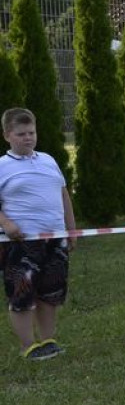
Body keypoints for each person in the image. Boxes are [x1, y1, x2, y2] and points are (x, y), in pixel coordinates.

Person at [0, 108, 76, 360]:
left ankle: (48, 340)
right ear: (7, 135)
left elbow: (63, 194)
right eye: (21, 134)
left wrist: (71, 229)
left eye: (31, 132)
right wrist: (6, 223)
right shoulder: (2, 166)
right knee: (22, 294)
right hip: (21, 242)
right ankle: (28, 346)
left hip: (55, 238)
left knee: (51, 293)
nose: (28, 138)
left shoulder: (48, 160)